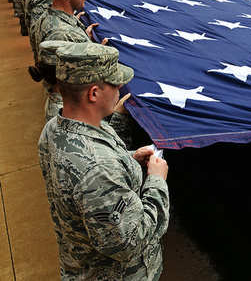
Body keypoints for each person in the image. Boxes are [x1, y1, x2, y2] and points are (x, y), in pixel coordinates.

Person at [38, 42, 170, 280]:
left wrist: (128, 158)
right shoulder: (99, 169)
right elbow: (130, 241)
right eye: (114, 82)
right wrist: (156, 182)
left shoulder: (54, 128)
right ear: (94, 93)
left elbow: (84, 171)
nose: (120, 86)